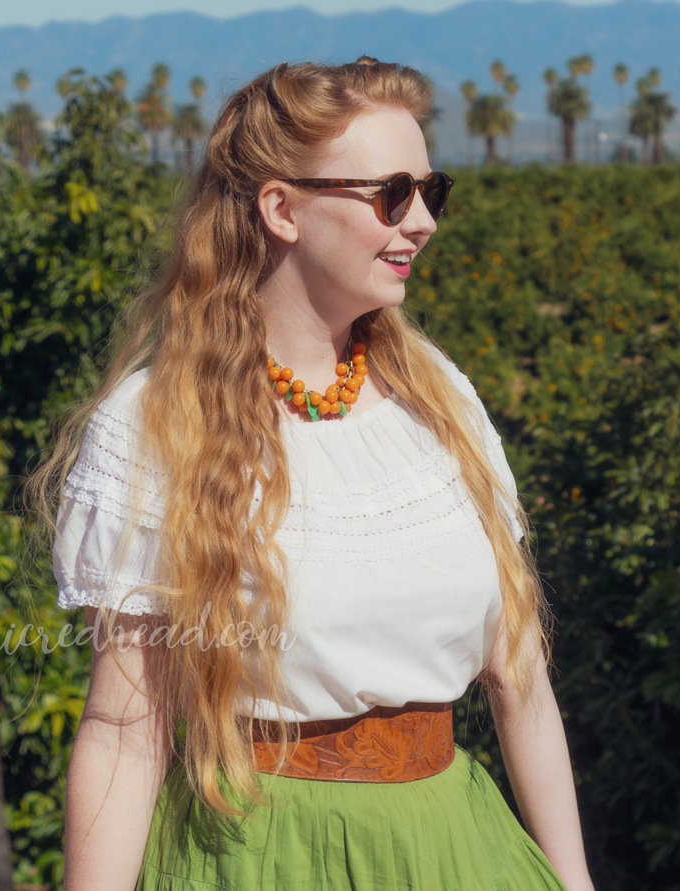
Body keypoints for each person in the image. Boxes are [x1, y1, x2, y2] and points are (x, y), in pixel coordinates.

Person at [31, 57, 596, 891]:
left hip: (451, 852)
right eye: (391, 194)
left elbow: (523, 687)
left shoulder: (442, 402)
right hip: (253, 858)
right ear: (281, 207)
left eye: (431, 192)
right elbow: (124, 731)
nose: (425, 223)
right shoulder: (155, 427)